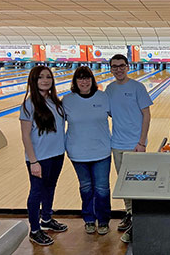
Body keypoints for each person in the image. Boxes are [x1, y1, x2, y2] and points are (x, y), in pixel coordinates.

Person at [105, 54, 153, 243]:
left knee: (137, 183)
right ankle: (130, 213)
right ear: (111, 68)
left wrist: (141, 142)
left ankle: (139, 217)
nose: (118, 69)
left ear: (127, 66)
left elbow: (147, 115)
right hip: (117, 143)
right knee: (124, 183)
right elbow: (108, 113)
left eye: (121, 65)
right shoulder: (109, 89)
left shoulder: (137, 87)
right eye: (114, 66)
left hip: (135, 145)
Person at [20, 66, 68, 246]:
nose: (45, 80)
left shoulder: (56, 102)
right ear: (34, 80)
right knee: (36, 192)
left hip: (57, 155)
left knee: (50, 187)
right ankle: (34, 230)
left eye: (48, 77)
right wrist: (33, 161)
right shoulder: (28, 104)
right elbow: (25, 136)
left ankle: (46, 219)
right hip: (39, 158)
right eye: (41, 77)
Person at [62, 66, 111, 235]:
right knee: (86, 188)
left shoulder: (103, 97)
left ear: (92, 80)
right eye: (80, 78)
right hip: (77, 152)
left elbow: (121, 116)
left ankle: (103, 220)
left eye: (87, 77)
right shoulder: (67, 100)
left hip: (102, 151)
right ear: (75, 81)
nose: (84, 81)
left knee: (102, 189)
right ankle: (89, 219)